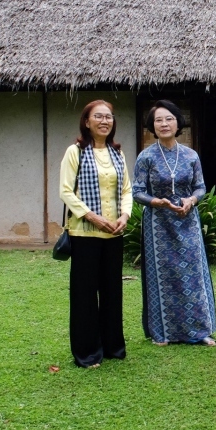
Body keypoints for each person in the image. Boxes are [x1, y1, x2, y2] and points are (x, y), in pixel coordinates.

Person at [132, 100, 216, 347]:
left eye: (168, 118)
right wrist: (156, 202)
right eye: (158, 120)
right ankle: (163, 333)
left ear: (178, 122)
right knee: (163, 275)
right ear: (152, 126)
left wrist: (191, 200)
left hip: (187, 221)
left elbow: (200, 187)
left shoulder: (191, 155)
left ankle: (199, 331)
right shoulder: (146, 156)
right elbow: (137, 191)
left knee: (193, 275)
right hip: (158, 224)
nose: (164, 124)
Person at [59, 100, 132, 368]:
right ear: (87, 122)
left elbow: (126, 189)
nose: (104, 121)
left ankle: (113, 346)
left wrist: (124, 216)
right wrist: (92, 217)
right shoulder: (75, 152)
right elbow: (66, 191)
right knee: (85, 293)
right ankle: (87, 351)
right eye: (98, 116)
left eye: (109, 117)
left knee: (113, 292)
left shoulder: (117, 154)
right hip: (85, 233)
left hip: (114, 232)